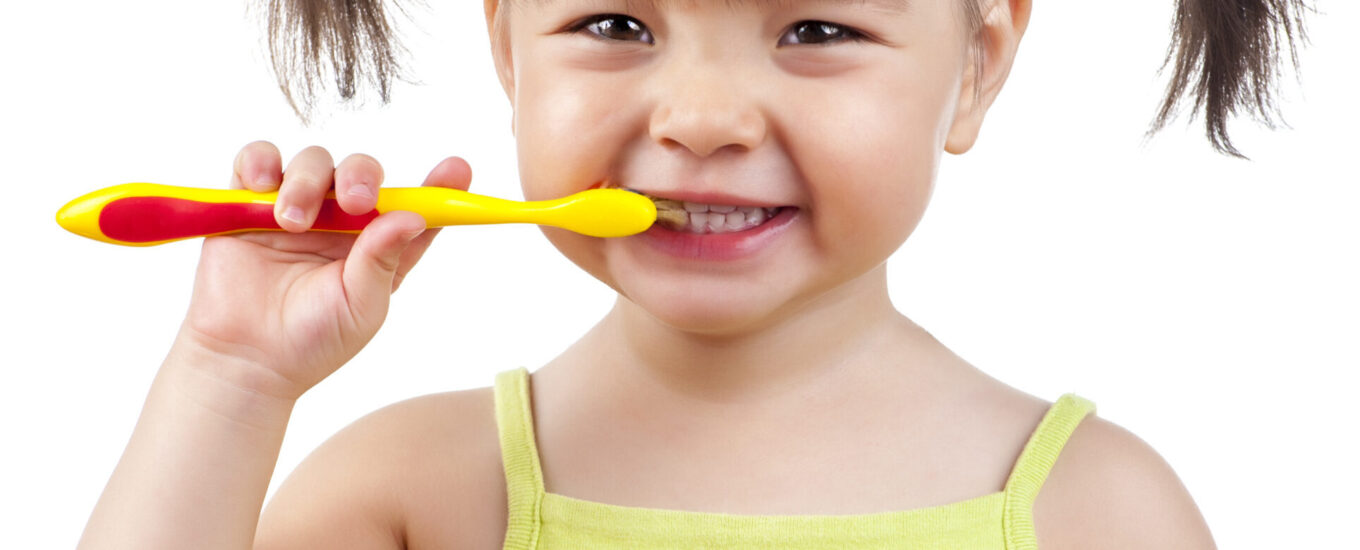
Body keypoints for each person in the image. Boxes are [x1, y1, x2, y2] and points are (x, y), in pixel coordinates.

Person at [76, 0, 1309, 548]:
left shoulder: (1096, 513)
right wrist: (229, 381)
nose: (706, 116)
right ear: (509, 47)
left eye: (816, 30)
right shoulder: (418, 492)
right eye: (616, 24)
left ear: (977, 63)